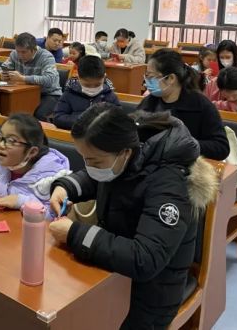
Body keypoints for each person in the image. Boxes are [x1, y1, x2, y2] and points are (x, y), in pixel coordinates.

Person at [48, 106, 219, 330]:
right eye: (85, 159)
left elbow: (145, 259)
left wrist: (74, 234)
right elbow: (97, 177)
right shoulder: (127, 155)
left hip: (152, 293)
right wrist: (66, 187)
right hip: (116, 271)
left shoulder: (170, 184)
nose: (89, 167)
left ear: (126, 152)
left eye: (95, 162)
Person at [0, 113, 71, 219]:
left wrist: (21, 201)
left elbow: (53, 216)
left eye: (11, 141)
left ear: (32, 151)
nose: (0, 144)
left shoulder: (49, 179)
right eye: (1, 137)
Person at [138, 49, 230, 161]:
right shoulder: (149, 102)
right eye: (146, 76)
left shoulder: (200, 105)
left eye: (151, 77)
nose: (147, 81)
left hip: (185, 167)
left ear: (171, 78)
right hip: (150, 162)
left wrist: (187, 144)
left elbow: (221, 148)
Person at [0, 32, 62, 122]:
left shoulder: (46, 57)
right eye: (18, 51)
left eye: (24, 52)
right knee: (10, 109)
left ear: (34, 49)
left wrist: (23, 78)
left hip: (49, 94)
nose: (20, 55)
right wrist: (1, 76)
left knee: (38, 113)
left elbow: (49, 79)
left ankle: (44, 135)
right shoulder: (14, 54)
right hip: (25, 93)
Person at [53, 56, 120, 130]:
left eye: (97, 84)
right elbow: (58, 117)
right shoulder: (69, 94)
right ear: (78, 78)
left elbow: (119, 119)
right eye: (87, 85)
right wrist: (84, 120)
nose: (92, 88)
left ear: (104, 77)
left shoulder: (110, 96)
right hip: (74, 135)